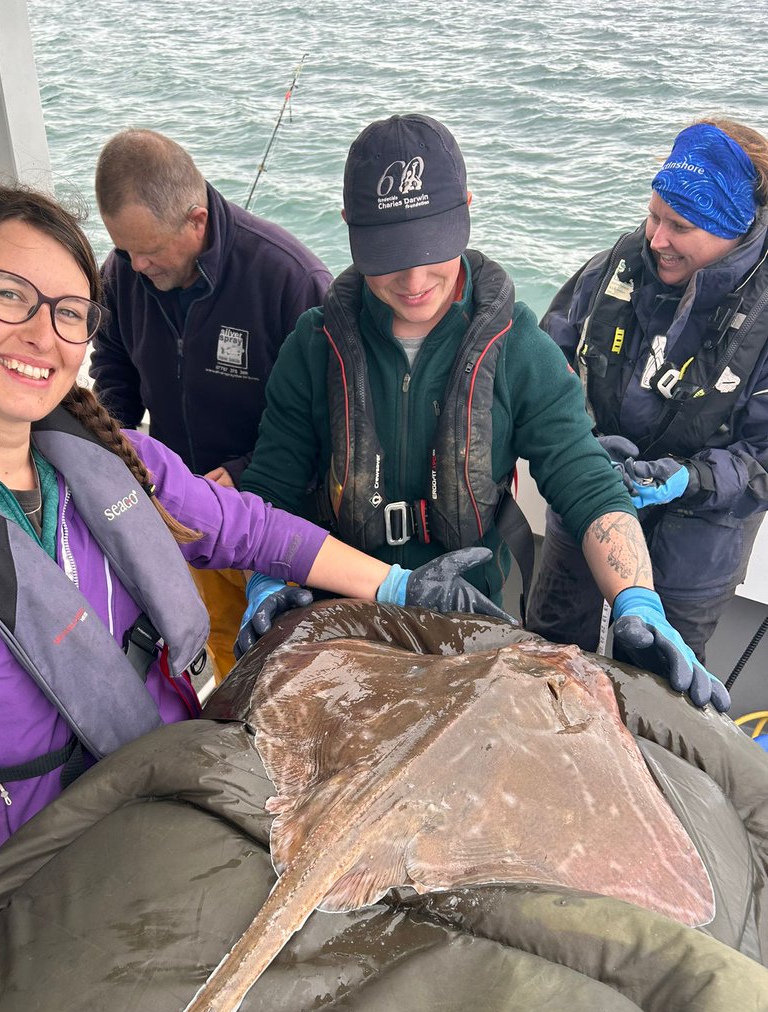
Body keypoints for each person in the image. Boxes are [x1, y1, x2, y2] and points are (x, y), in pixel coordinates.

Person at [0, 181, 512, 944]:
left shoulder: (114, 455)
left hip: (164, 837)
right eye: (10, 295)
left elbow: (250, 529)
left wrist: (396, 583)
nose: (43, 334)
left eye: (69, 311)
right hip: (4, 912)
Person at [240, 113, 730, 713]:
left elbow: (587, 483)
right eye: (389, 256)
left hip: (471, 626)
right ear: (350, 228)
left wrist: (636, 601)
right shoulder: (312, 348)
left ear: (468, 209)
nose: (415, 280)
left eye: (431, 251)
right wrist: (267, 582)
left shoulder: (519, 347)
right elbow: (271, 491)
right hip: (340, 620)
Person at [90, 129, 333, 680]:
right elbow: (111, 360)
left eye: (148, 251)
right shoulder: (125, 272)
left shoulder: (291, 279)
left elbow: (333, 415)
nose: (135, 265)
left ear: (195, 221)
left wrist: (246, 472)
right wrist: (114, 437)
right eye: (124, 250)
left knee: (290, 660)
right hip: (185, 514)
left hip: (276, 514)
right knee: (222, 648)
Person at [526, 118, 768, 665]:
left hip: (694, 554)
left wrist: (688, 479)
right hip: (586, 505)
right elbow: (543, 360)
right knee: (545, 657)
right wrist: (576, 441)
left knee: (655, 691)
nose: (656, 239)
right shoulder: (619, 264)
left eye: (679, 227)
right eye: (653, 214)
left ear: (731, 230)